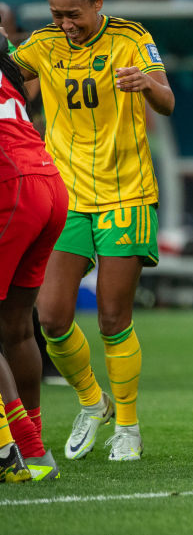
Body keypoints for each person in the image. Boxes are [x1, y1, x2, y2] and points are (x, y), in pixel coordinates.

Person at [12, 0, 175, 461]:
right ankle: (92, 400)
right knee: (52, 318)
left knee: (111, 317)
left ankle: (128, 427)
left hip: (127, 194)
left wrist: (145, 83)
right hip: (68, 198)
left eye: (75, 14)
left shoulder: (131, 39)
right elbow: (10, 79)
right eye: (57, 15)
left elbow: (168, 101)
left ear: (98, 3)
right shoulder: (42, 46)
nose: (66, 24)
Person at [0, 26, 65, 482]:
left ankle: (13, 452)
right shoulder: (8, 74)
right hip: (49, 185)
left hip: (13, 188)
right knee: (17, 328)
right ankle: (37, 454)